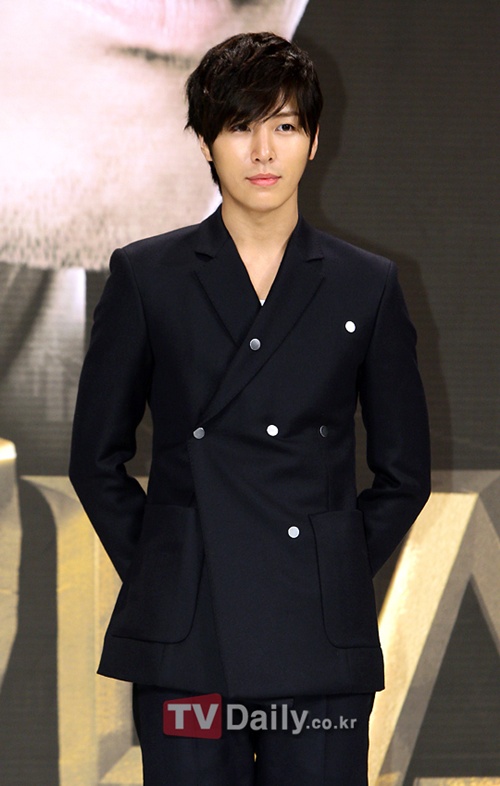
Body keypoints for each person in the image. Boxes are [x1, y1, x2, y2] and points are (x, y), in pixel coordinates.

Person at [69, 32, 431, 786]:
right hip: (189, 648)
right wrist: (172, 568)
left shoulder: (366, 285)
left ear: (314, 140)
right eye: (240, 126)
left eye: (285, 125)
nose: (264, 151)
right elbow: (95, 460)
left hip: (316, 645)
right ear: (206, 142)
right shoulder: (148, 276)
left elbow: (404, 475)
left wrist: (327, 568)